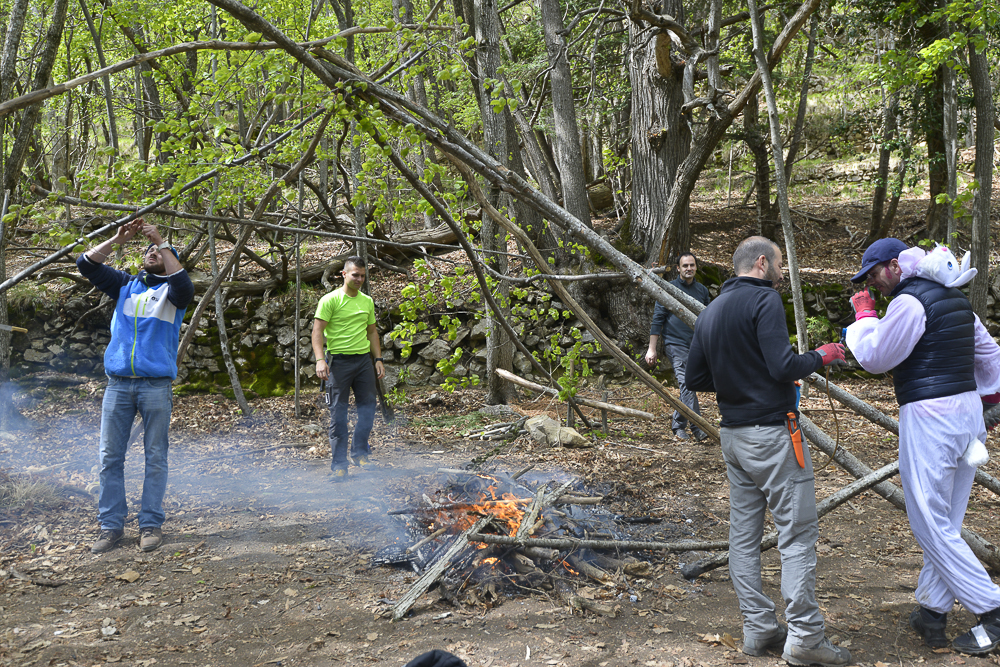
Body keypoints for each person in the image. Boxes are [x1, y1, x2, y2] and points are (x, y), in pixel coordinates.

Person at [686, 236, 850, 666]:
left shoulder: (711, 310)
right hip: (772, 438)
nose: (780, 273)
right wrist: (822, 355)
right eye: (778, 264)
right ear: (762, 263)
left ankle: (758, 629)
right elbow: (782, 366)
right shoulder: (765, 302)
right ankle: (805, 639)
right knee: (796, 535)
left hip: (734, 438)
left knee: (743, 538)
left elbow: (696, 376)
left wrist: (740, 378)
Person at [846, 238, 1000, 655]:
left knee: (928, 521)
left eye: (874, 274)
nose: (874, 284)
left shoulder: (910, 302)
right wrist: (989, 401)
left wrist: (863, 317)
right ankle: (933, 611)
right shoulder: (953, 299)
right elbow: (990, 354)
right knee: (946, 518)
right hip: (966, 413)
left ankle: (993, 609)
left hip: (931, 417)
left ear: (895, 266)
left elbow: (877, 357)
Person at [76, 218, 194, 554]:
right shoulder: (124, 285)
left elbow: (184, 284)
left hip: (155, 386)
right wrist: (117, 239)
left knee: (155, 457)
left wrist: (161, 239)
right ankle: (110, 526)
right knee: (110, 458)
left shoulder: (174, 294)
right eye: (149, 249)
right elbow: (85, 264)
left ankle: (150, 524)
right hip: (118, 386)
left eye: (160, 250)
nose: (153, 252)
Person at [311, 256, 385, 481]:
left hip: (363, 362)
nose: (359, 279)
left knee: (367, 411)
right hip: (338, 363)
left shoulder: (367, 302)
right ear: (344, 274)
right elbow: (316, 332)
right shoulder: (329, 300)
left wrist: (378, 359)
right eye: (355, 275)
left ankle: (360, 454)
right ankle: (339, 465)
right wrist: (319, 360)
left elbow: (372, 332)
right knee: (338, 415)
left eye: (362, 275)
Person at [645, 252, 711, 441]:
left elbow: (708, 319)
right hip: (676, 344)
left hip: (697, 346)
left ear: (696, 267)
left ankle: (678, 424)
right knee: (687, 384)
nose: (689, 268)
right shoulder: (669, 289)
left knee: (690, 385)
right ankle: (698, 428)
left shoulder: (702, 291)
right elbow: (657, 321)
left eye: (692, 265)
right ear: (678, 268)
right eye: (685, 266)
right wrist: (652, 348)